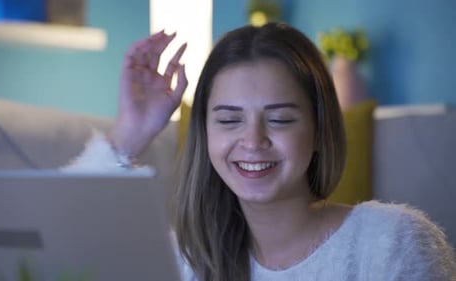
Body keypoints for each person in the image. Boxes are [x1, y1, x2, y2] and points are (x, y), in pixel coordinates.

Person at [66, 23, 456, 280]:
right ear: (205, 134)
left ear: (320, 131)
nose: (253, 141)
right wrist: (129, 133)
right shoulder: (185, 262)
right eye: (229, 120)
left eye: (281, 119)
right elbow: (52, 255)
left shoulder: (391, 243)